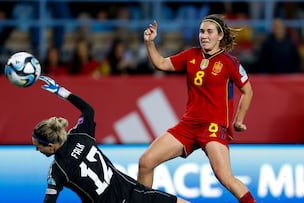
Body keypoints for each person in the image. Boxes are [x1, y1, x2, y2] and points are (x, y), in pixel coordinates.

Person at [138, 14, 256, 203]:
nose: (204, 36)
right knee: (145, 162)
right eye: (202, 31)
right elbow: (160, 63)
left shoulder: (229, 62)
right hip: (188, 125)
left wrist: (238, 120)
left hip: (213, 127)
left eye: (209, 32)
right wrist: (150, 42)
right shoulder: (190, 55)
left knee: (225, 177)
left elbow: (247, 91)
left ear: (219, 36)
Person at [32, 75, 191, 203]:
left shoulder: (58, 170)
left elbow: (49, 199)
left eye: (39, 145)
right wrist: (61, 91)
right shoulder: (81, 134)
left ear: (51, 145)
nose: (37, 149)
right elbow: (88, 109)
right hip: (132, 194)